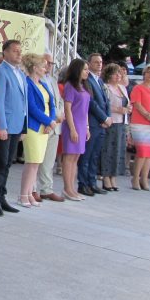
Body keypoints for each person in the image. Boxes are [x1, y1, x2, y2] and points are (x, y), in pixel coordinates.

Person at [0, 39, 27, 216]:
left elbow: (23, 103)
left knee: (8, 164)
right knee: (0, 163)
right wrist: (1, 126)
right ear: (5, 53)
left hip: (17, 125)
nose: (18, 54)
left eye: (20, 51)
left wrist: (24, 128)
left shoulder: (20, 73)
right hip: (5, 126)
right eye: (14, 51)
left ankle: (2, 197)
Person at [19, 54, 57, 208]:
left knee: (37, 162)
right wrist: (49, 121)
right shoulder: (28, 83)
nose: (45, 68)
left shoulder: (43, 84)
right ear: (34, 68)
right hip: (34, 127)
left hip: (45, 127)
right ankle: (23, 194)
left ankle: (29, 193)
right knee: (31, 162)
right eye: (42, 66)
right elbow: (32, 107)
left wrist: (51, 122)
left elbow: (52, 104)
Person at [77, 53, 112, 197]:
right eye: (96, 62)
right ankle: (83, 184)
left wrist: (108, 117)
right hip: (92, 122)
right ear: (89, 63)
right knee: (86, 156)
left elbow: (106, 101)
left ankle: (92, 182)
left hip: (102, 124)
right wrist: (103, 118)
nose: (99, 64)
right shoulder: (87, 80)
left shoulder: (100, 81)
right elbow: (91, 102)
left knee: (95, 156)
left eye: (101, 62)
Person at [61, 59, 92, 201]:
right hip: (72, 125)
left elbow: (85, 111)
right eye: (84, 69)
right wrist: (72, 129)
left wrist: (86, 127)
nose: (87, 72)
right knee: (69, 157)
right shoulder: (70, 86)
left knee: (76, 158)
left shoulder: (84, 86)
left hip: (81, 125)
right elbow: (67, 109)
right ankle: (67, 188)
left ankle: (72, 188)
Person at [99, 64, 131, 192]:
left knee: (118, 151)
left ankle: (114, 176)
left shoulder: (123, 88)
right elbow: (104, 105)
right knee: (108, 150)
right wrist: (118, 109)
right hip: (111, 122)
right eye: (115, 73)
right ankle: (106, 176)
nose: (118, 76)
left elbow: (126, 103)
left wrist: (128, 109)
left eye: (120, 73)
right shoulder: (105, 87)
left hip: (122, 123)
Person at [37, 53, 65, 202]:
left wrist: (59, 114)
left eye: (51, 63)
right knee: (36, 159)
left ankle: (46, 189)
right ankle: (33, 189)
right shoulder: (34, 79)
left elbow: (59, 101)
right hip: (42, 124)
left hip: (55, 125)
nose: (48, 65)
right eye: (46, 62)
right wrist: (49, 120)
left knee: (49, 160)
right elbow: (37, 104)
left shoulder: (53, 80)